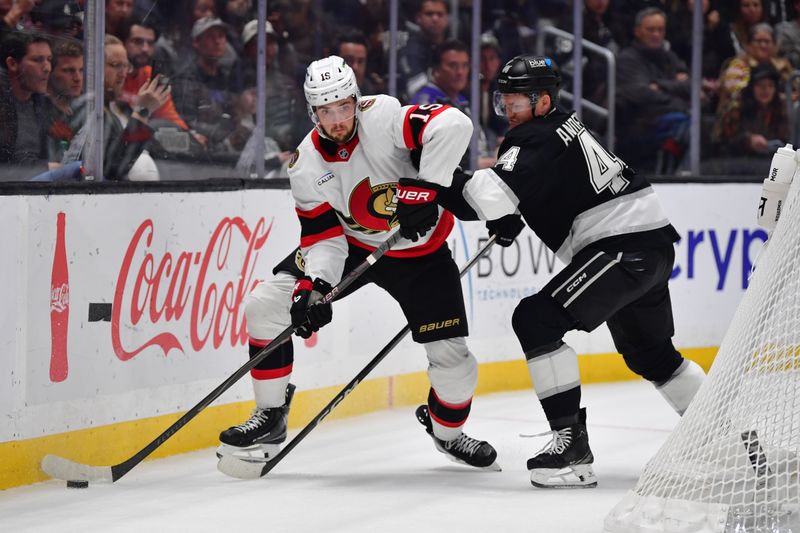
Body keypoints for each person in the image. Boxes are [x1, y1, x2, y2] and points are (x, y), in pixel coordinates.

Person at [403, 55, 705, 488]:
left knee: (536, 319)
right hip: (647, 246)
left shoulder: (535, 137)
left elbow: (478, 200)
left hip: (622, 248)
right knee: (651, 355)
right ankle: (728, 437)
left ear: (542, 101)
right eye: (503, 99)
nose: (508, 109)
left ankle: (572, 450)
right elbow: (536, 188)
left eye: (517, 101)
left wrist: (430, 183)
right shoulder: (561, 126)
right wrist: (509, 209)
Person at [216, 55, 499, 472]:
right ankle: (271, 416)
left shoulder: (383, 116)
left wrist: (427, 189)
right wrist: (313, 285)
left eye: (343, 107)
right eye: (326, 111)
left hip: (421, 253)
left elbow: (455, 124)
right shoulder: (305, 164)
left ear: (356, 100)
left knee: (454, 362)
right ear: (313, 112)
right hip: (351, 248)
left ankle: (447, 433)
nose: (337, 120)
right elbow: (324, 238)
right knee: (265, 305)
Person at [615, 7, 691, 172]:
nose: (656, 34)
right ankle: (671, 175)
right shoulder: (627, 59)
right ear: (637, 31)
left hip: (673, 116)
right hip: (642, 124)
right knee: (689, 126)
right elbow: (642, 94)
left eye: (660, 30)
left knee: (700, 126)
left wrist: (660, 86)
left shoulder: (669, 57)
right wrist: (677, 95)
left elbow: (690, 86)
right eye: (651, 29)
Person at [0, 31, 53, 173]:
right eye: (37, 60)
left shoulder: (44, 105)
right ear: (12, 64)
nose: (47, 68)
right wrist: (45, 169)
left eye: (49, 59)